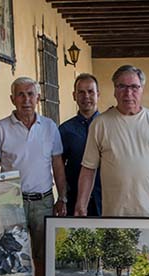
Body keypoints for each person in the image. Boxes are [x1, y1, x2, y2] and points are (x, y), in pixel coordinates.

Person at [0, 77, 67, 276]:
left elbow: (57, 165)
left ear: (38, 98)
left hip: (43, 201)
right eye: (20, 95)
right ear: (12, 99)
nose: (26, 100)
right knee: (11, 261)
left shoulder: (50, 127)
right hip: (12, 203)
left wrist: (62, 197)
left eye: (30, 94)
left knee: (43, 262)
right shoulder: (0, 128)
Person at [75, 65, 149, 217]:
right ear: (114, 90)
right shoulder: (100, 124)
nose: (128, 93)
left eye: (134, 87)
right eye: (122, 86)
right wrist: (81, 205)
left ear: (142, 89)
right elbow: (88, 169)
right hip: (114, 216)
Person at [59, 73, 102, 216]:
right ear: (74, 95)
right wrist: (62, 197)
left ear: (98, 94)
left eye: (90, 91)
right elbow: (59, 166)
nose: (86, 97)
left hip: (106, 199)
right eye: (81, 92)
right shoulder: (65, 130)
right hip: (75, 200)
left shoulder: (109, 126)